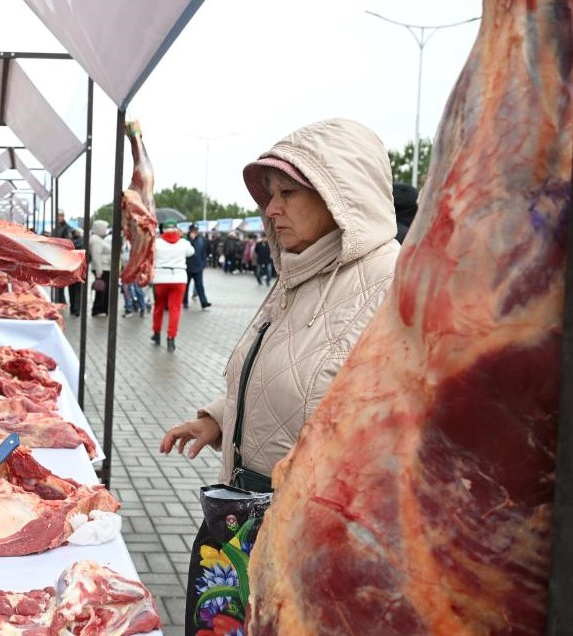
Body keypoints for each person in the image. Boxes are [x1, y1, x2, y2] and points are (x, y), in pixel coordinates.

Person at [158, 118, 400, 635]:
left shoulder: (393, 286)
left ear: (343, 196)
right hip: (243, 524)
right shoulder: (296, 272)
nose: (271, 209)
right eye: (270, 194)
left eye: (288, 193)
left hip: (313, 548)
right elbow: (278, 371)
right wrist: (218, 420)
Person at [150, 219, 194, 352]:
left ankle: (157, 334)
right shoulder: (183, 243)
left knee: (158, 307)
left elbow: (151, 256)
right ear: (176, 229)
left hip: (160, 278)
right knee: (175, 310)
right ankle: (171, 338)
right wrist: (183, 236)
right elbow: (191, 252)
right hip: (179, 279)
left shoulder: (156, 242)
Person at [183, 224, 211, 310]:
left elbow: (204, 252)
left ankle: (204, 302)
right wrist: (191, 240)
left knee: (200, 286)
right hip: (187, 267)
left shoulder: (201, 240)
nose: (195, 232)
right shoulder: (185, 240)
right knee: (186, 286)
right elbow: (187, 251)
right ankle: (185, 302)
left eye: (196, 230)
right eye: (193, 231)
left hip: (198, 267)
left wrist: (204, 263)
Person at [89, 220, 112, 316]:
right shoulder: (96, 240)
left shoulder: (98, 238)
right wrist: (99, 272)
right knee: (102, 289)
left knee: (103, 289)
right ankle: (98, 309)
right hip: (103, 268)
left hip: (104, 267)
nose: (106, 230)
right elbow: (96, 255)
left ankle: (102, 309)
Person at [53, 211, 73, 304]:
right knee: (57, 281)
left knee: (62, 280)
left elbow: (67, 241)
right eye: (58, 216)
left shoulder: (67, 228)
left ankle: (61, 300)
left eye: (61, 216)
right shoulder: (56, 227)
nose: (59, 217)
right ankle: (60, 299)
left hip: (63, 257)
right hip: (56, 256)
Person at [67, 228, 85, 316]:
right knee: (78, 290)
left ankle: (72, 308)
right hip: (79, 269)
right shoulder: (83, 242)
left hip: (70, 269)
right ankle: (77, 309)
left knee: (71, 289)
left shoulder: (69, 244)